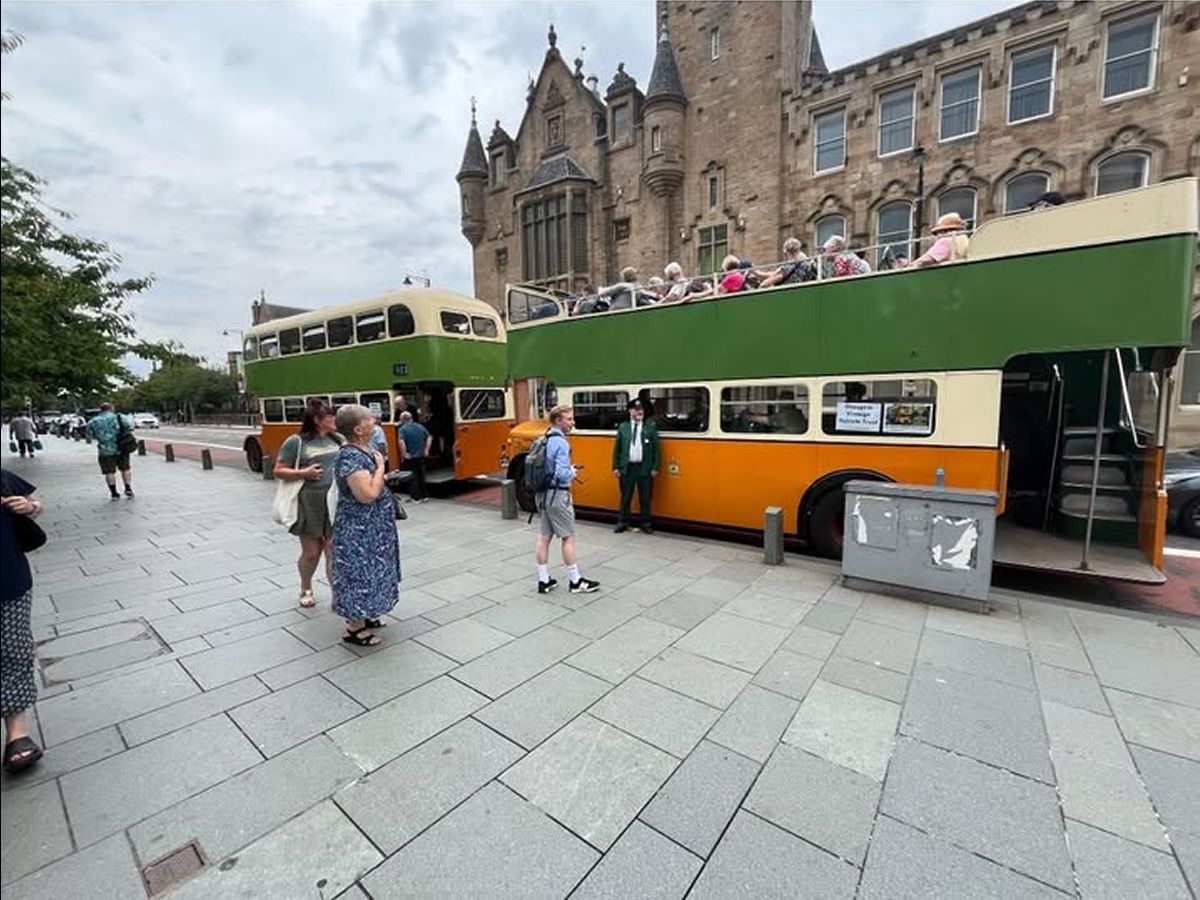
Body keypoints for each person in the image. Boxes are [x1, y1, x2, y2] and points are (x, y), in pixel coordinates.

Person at [331, 404, 400, 647]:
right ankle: (354, 628)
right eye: (369, 418)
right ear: (359, 429)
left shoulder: (363, 449)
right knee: (359, 573)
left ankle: (367, 614)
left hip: (371, 528)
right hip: (359, 531)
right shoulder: (350, 456)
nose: (374, 420)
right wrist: (381, 469)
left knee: (372, 571)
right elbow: (367, 494)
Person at [274, 399, 341, 609]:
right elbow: (278, 469)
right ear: (317, 420)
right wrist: (304, 473)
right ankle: (306, 587)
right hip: (309, 501)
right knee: (312, 552)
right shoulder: (296, 442)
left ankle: (337, 594)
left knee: (332, 550)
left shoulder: (337, 439)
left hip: (333, 501)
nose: (334, 419)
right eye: (330, 416)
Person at [1, 468, 45, 772]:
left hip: (9, 580)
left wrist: (29, 508)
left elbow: (36, 504)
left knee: (14, 652)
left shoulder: (2, 477)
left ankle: (17, 733)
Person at [534, 405, 600, 595]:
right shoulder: (561, 443)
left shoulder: (543, 438)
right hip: (558, 496)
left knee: (543, 537)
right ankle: (575, 581)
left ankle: (543, 580)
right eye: (569, 419)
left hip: (543, 495)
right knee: (568, 537)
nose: (573, 423)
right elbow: (561, 474)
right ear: (558, 421)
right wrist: (572, 471)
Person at [611, 399, 660, 534]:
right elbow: (617, 449)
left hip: (644, 468)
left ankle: (645, 523)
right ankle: (622, 522)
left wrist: (655, 467)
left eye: (641, 410)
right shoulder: (623, 427)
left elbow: (656, 449)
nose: (639, 412)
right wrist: (615, 467)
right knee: (625, 496)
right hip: (627, 468)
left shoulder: (650, 427)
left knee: (645, 497)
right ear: (630, 411)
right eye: (636, 410)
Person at [85, 402, 135, 499]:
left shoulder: (93, 421)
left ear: (101, 409)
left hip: (105, 450)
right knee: (125, 468)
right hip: (121, 447)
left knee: (109, 472)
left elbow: (89, 436)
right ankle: (128, 488)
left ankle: (114, 493)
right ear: (112, 408)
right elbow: (129, 426)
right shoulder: (119, 417)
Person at [396, 411, 432, 503]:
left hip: (411, 456)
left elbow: (401, 442)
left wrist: (404, 453)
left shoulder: (402, 429)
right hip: (420, 455)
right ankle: (425, 496)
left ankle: (416, 497)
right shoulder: (420, 426)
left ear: (403, 420)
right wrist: (426, 450)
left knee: (412, 477)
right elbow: (429, 437)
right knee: (421, 475)